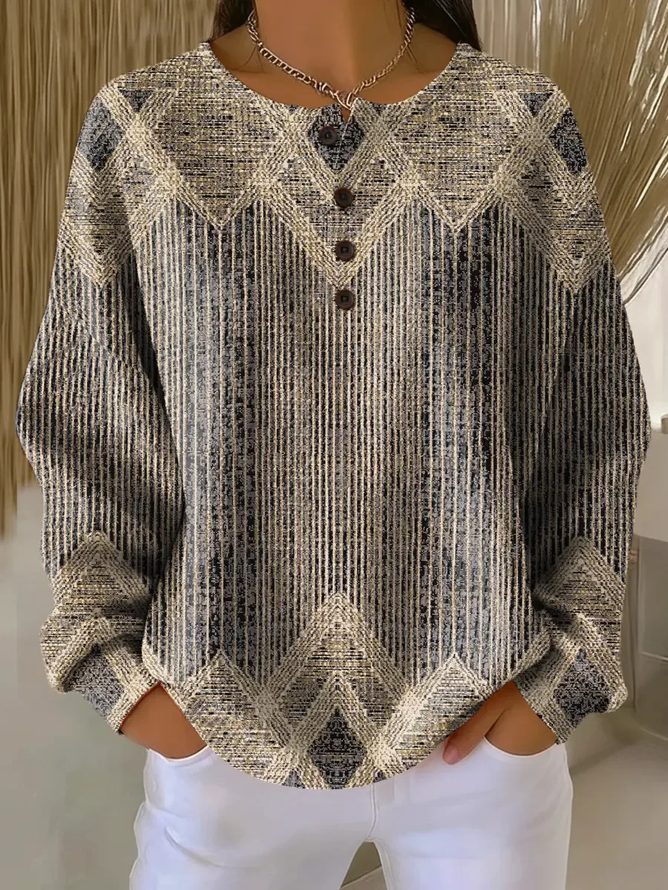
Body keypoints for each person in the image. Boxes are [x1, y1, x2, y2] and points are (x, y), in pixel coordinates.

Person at [15, 1, 652, 888]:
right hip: (220, 743)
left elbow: (594, 421)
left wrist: (559, 685)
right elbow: (89, 425)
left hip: (481, 745)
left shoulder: (519, 125)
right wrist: (125, 684)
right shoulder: (146, 129)